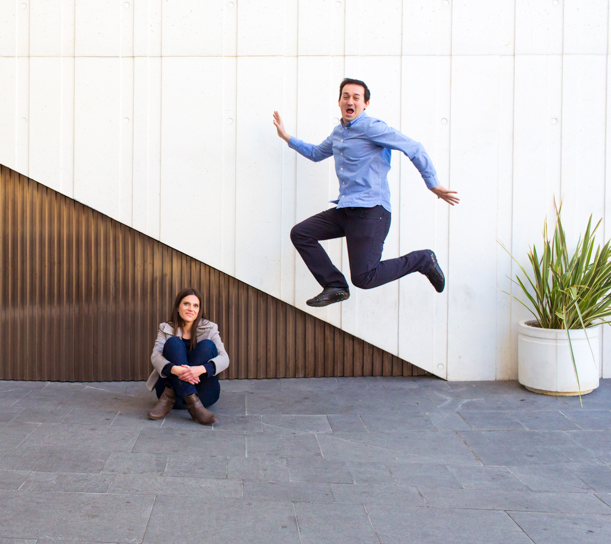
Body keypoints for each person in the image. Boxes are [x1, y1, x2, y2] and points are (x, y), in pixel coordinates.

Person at [272, 78, 459, 307]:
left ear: (365, 103)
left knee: (364, 278)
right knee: (301, 233)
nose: (350, 101)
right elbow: (315, 153)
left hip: (371, 211)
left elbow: (414, 147)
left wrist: (432, 183)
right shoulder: (338, 133)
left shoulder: (372, 127)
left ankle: (422, 260)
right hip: (347, 210)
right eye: (346, 96)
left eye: (356, 97)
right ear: (339, 101)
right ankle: (336, 286)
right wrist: (286, 137)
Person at [146, 288, 229, 425]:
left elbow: (225, 359)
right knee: (173, 343)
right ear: (178, 306)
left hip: (204, 395)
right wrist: (175, 370)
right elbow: (155, 356)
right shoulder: (165, 328)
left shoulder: (210, 328)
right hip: (174, 401)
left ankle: (175, 394)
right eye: (186, 304)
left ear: (199, 310)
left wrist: (200, 369)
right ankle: (193, 405)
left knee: (207, 346)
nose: (191, 309)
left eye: (195, 305)